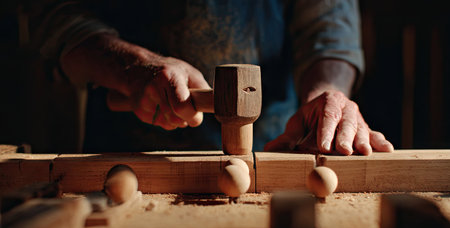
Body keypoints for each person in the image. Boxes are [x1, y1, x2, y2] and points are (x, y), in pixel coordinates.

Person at [31, 0, 393, 154]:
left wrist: (325, 93)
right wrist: (130, 65)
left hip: (275, 143)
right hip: (125, 149)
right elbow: (55, 15)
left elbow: (328, 27)